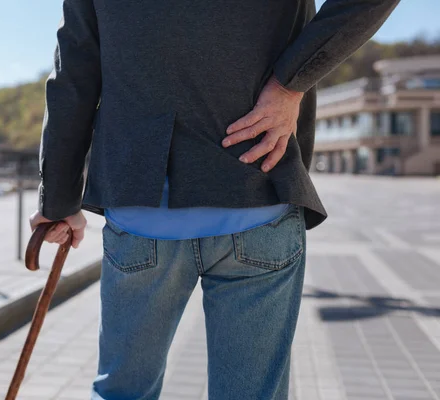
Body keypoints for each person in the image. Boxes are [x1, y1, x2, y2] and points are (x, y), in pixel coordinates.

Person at [30, 0, 399, 398]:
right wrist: (290, 82)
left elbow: (74, 74)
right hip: (256, 189)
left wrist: (59, 202)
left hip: (144, 207)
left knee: (122, 392)